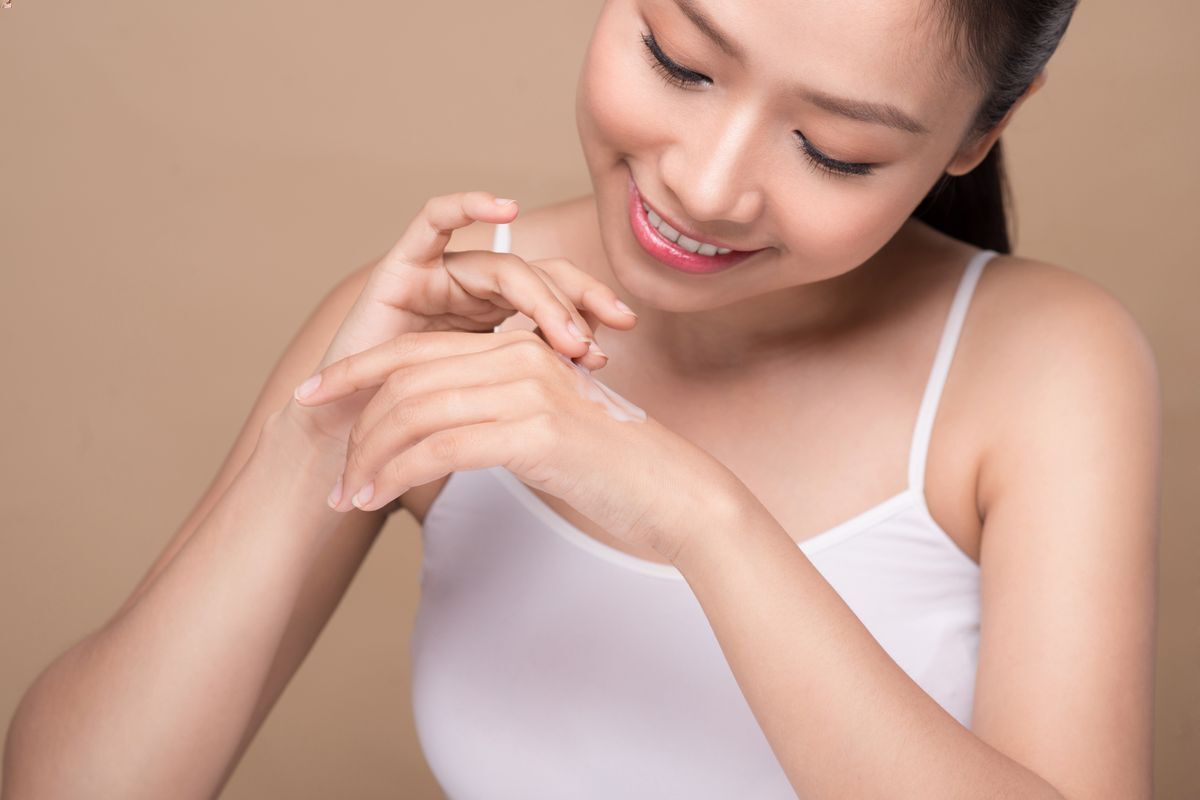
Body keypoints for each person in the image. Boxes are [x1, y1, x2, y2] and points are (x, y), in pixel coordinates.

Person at [4, 0, 1160, 798]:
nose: (706, 185)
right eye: (678, 61)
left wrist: (697, 517)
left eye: (834, 149)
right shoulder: (445, 310)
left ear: (984, 131)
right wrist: (311, 447)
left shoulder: (1043, 365)